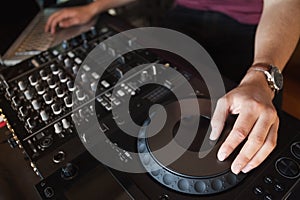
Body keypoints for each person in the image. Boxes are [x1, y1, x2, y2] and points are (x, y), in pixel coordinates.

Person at [45, 0, 300, 175]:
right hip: (183, 18)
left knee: (249, 131)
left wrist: (262, 74)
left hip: (254, 26)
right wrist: (94, 7)